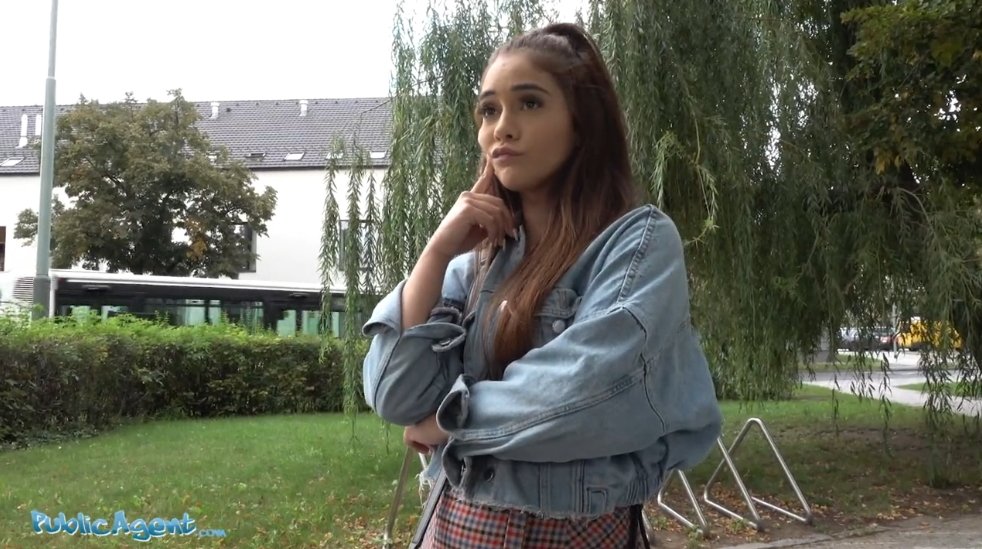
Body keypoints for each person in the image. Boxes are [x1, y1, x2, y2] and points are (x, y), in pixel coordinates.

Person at [362, 22, 722, 549]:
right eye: (489, 110)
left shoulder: (637, 242)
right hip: (456, 525)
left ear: (581, 122)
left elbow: (588, 387)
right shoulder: (475, 261)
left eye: (529, 103)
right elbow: (395, 395)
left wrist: (450, 424)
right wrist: (436, 253)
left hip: (574, 531)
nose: (502, 129)